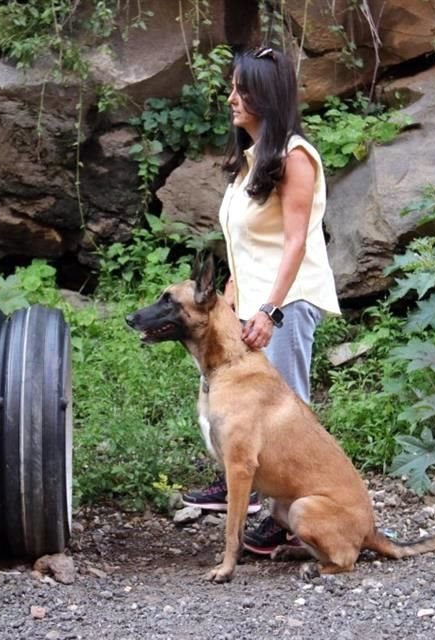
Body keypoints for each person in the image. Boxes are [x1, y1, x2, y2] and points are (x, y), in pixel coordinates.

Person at [180, 45, 341, 556]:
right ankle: (241, 489)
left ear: (265, 97)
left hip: (287, 303)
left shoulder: (295, 157)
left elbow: (295, 240)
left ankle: (283, 519)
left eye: (241, 89)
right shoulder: (252, 162)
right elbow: (248, 242)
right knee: (233, 402)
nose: (231, 98)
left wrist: (271, 309)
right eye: (231, 87)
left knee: (285, 409)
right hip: (251, 303)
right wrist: (231, 297)